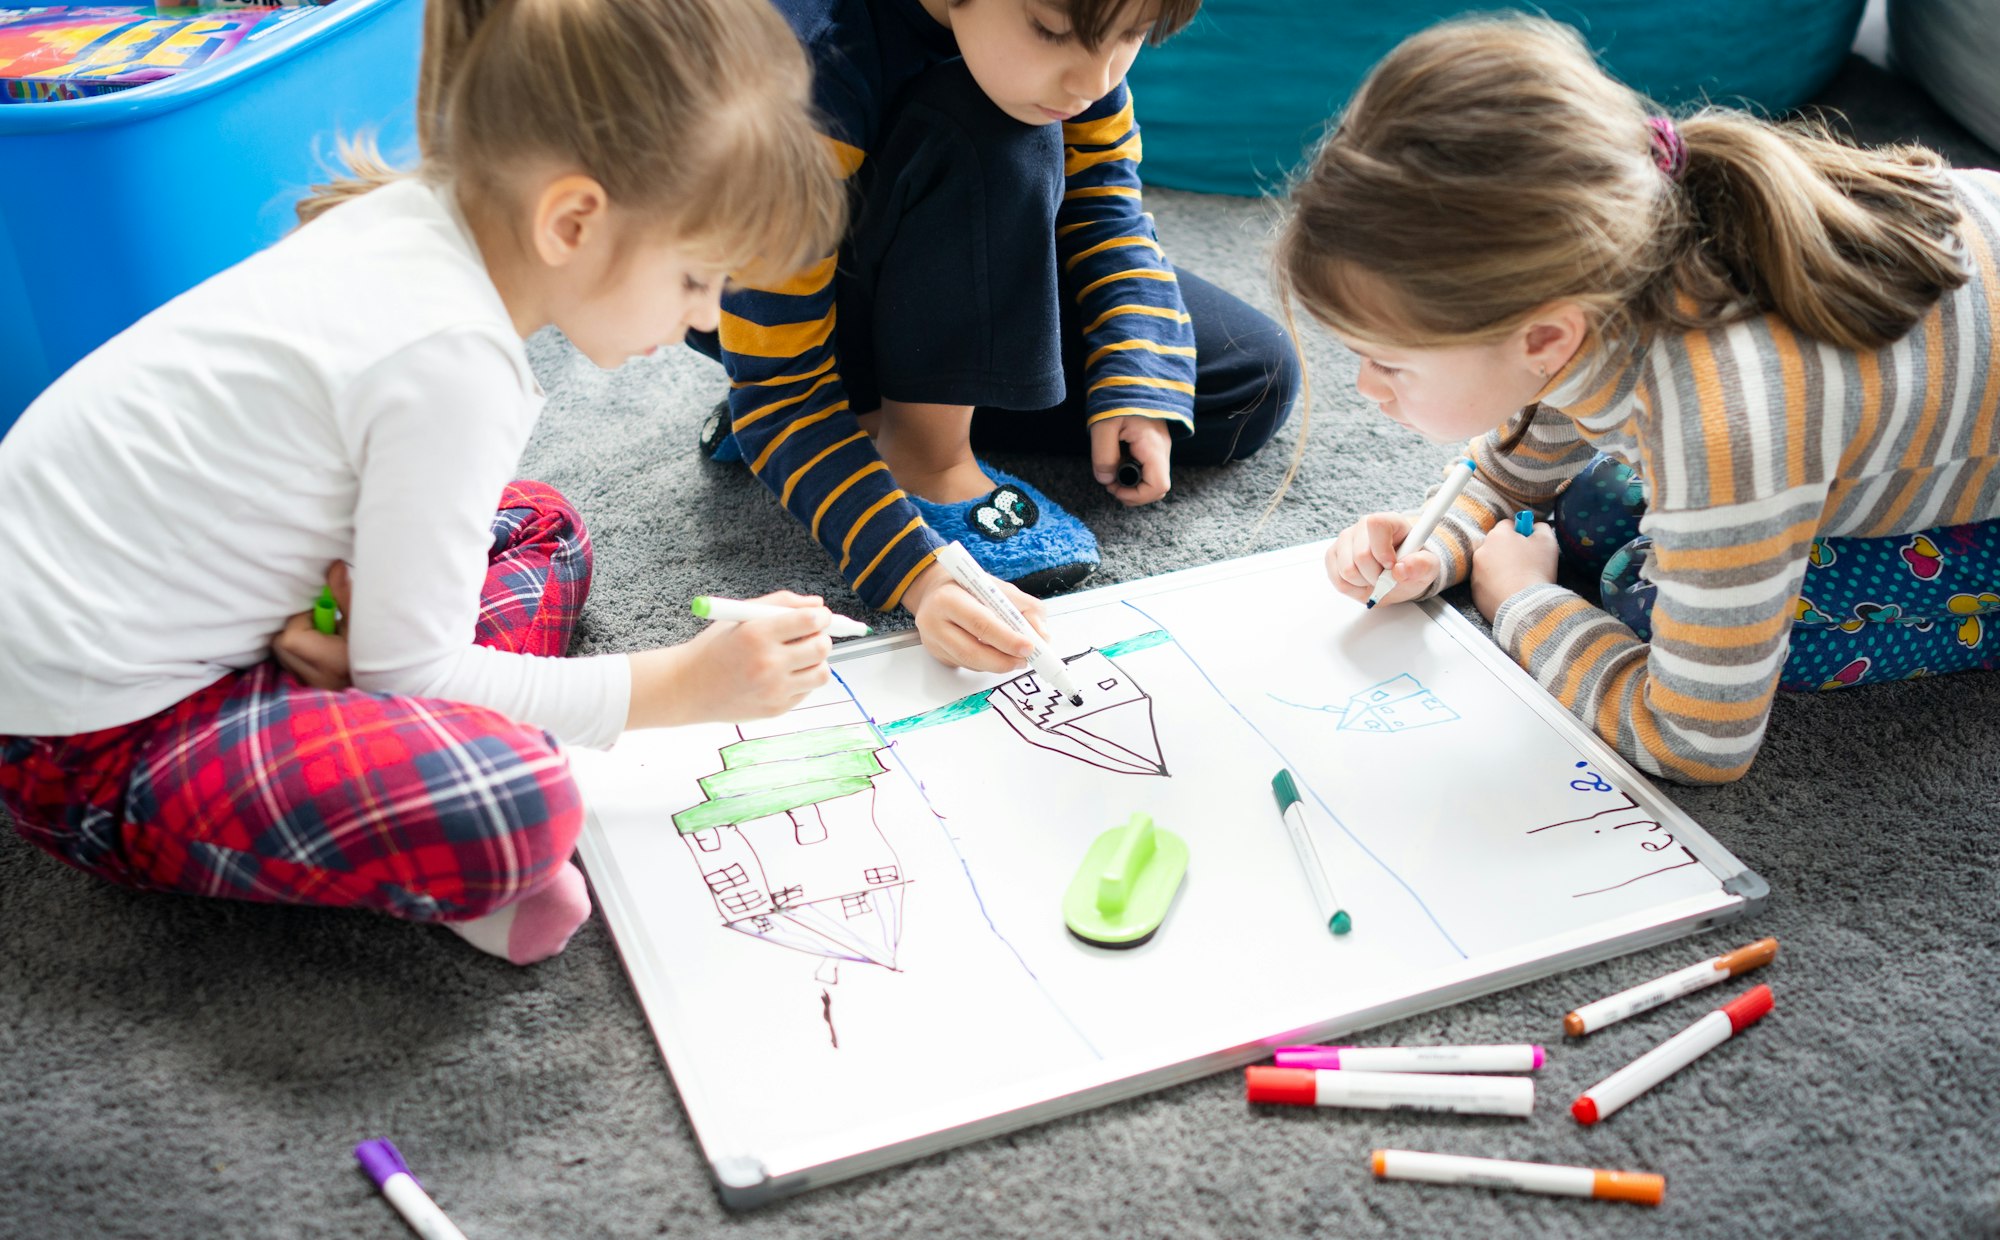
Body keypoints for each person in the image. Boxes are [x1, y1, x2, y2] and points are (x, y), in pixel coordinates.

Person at [0, 0, 846, 963]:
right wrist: (680, 687)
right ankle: (413, 808)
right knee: (522, 802)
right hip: (90, 748)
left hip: (203, 623)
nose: (703, 318)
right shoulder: (450, 360)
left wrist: (376, 657)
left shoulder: (420, 227)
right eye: (697, 277)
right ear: (572, 220)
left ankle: (347, 695)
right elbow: (419, 673)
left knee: (540, 525)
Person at [1283, 14, 2000, 785]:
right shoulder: (1604, 270)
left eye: (1387, 362)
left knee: (1648, 596)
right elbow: (1511, 474)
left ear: (1544, 340)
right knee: (1593, 507)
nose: (1365, 388)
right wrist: (1437, 544)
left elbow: (1696, 741)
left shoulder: (1718, 423)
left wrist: (1521, 599)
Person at [689, 0, 1301, 677]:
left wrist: (1134, 372)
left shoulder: (1076, 56)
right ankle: (924, 454)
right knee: (993, 127)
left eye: (1129, 36)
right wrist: (919, 573)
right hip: (792, 300)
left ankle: (857, 430)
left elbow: (1101, 196)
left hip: (955, 246)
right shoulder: (806, 74)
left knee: (1246, 380)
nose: (1092, 81)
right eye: (1052, 33)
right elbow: (780, 385)